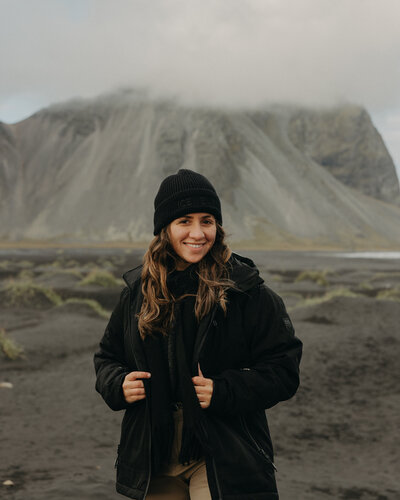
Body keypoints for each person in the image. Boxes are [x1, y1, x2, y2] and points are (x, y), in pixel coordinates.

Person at [94, 169, 302, 500]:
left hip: (222, 448)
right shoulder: (137, 292)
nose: (197, 232)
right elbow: (107, 357)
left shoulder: (246, 291)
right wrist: (117, 383)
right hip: (156, 450)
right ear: (165, 229)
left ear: (217, 227)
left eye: (207, 220)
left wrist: (225, 390)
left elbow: (284, 369)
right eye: (184, 221)